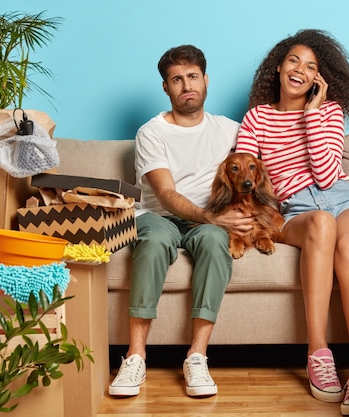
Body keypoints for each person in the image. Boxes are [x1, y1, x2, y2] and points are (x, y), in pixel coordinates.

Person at [236, 29, 349, 416]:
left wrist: (313, 113)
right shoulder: (257, 118)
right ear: (279, 67)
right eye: (294, 61)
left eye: (311, 66)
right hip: (298, 210)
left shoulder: (328, 112)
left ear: (319, 79)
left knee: (347, 245)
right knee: (320, 224)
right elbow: (244, 176)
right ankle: (318, 353)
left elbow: (324, 174)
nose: (300, 69)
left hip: (345, 199)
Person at [108, 45, 252, 398]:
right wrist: (213, 216)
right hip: (158, 217)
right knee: (154, 242)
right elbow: (167, 193)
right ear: (165, 88)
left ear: (205, 80)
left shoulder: (230, 130)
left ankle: (197, 357)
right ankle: (135, 357)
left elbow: (265, 166)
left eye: (192, 77)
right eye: (176, 79)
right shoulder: (152, 132)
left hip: (207, 223)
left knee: (218, 242)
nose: (186, 85)